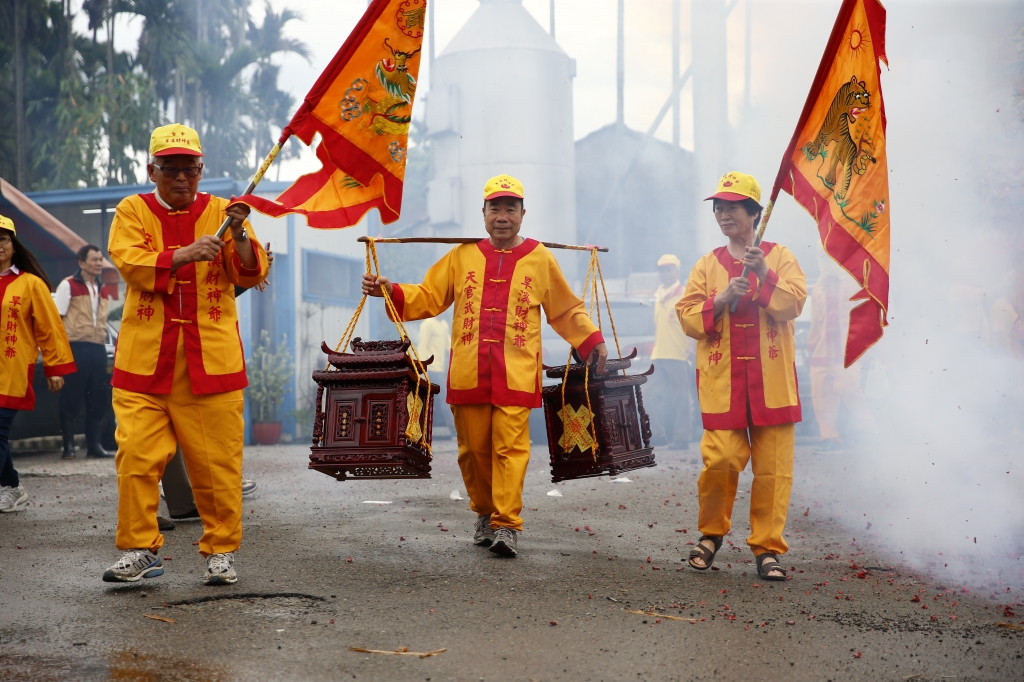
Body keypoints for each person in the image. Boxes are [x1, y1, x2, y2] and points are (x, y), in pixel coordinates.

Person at [362, 175, 607, 557]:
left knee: (510, 449)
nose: (503, 216)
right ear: (484, 213)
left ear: (523, 214)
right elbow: (428, 297)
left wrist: (592, 340)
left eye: (511, 208)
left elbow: (566, 309)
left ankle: (507, 524)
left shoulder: (540, 258)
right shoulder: (461, 256)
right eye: (496, 208)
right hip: (469, 372)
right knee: (473, 451)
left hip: (516, 372)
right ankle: (485, 511)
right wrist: (389, 290)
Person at [101, 123, 269, 584]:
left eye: (190, 170)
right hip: (144, 364)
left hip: (209, 362)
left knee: (217, 466)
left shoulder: (223, 211)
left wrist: (237, 235)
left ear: (201, 170)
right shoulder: (131, 211)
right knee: (135, 458)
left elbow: (250, 273)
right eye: (170, 169)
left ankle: (220, 550)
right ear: (151, 170)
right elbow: (130, 262)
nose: (181, 178)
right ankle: (140, 549)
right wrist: (184, 253)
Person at [676, 171, 807, 581]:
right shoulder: (707, 264)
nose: (723, 213)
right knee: (722, 460)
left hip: (772, 384)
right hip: (723, 384)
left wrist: (766, 272)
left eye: (732, 206)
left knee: (773, 470)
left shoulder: (781, 255)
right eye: (719, 207)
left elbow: (793, 304)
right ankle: (711, 535)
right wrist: (722, 298)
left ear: (755, 212)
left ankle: (767, 549)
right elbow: (686, 315)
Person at [0, 214, 77, 512]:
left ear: (13, 245)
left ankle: (10, 486)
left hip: (13, 370)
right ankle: (12, 485)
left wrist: (55, 368)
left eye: (3, 239)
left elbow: (50, 328)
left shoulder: (31, 284)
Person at [807, 250, 872, 453]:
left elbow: (866, 318)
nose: (825, 262)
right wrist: (812, 346)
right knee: (822, 395)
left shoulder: (855, 282)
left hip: (847, 352)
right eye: (822, 257)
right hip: (822, 352)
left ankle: (869, 434)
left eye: (829, 255)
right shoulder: (819, 287)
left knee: (850, 389)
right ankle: (829, 437)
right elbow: (816, 321)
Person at [55, 244, 115, 460]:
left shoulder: (103, 288)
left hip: (97, 347)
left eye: (101, 259)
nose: (99, 263)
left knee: (98, 397)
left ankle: (95, 446)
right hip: (75, 346)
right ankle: (68, 447)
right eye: (94, 259)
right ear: (82, 263)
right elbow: (57, 318)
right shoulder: (68, 285)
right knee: (71, 396)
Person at [646, 253, 696, 448]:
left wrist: (691, 344)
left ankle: (682, 438)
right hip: (658, 354)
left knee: (682, 398)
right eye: (663, 270)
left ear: (677, 271)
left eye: (669, 269)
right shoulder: (658, 296)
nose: (666, 273)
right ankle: (658, 435)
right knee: (647, 393)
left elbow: (693, 322)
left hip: (678, 354)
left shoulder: (685, 295)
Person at [417, 315, 454, 437]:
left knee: (436, 400)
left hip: (439, 368)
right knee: (442, 398)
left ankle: (425, 433)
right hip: (430, 368)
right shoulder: (427, 324)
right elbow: (422, 345)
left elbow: (449, 345)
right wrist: (422, 368)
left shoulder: (443, 325)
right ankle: (454, 432)